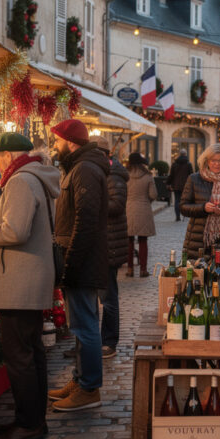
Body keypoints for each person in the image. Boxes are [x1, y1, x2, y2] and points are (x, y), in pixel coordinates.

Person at [0, 132, 60, 439]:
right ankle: (30, 419)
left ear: (8, 155)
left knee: (20, 356)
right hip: (29, 275)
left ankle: (30, 424)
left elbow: (15, 231)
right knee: (31, 353)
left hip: (21, 278)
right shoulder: (36, 177)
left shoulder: (20, 181)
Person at [48, 119, 109, 412]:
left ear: (70, 141)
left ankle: (89, 388)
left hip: (83, 260)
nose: (54, 146)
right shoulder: (78, 167)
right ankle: (81, 379)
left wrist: (71, 261)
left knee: (85, 327)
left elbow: (84, 222)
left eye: (57, 141)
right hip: (80, 257)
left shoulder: (84, 169)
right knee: (80, 325)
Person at [97, 136, 127, 359]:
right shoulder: (100, 172)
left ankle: (109, 341)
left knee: (108, 297)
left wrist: (91, 202)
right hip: (101, 241)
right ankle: (87, 343)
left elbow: (116, 205)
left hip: (110, 242)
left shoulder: (114, 175)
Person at [125, 152, 158, 278]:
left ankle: (129, 269)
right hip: (144, 209)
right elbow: (153, 195)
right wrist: (146, 201)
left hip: (128, 209)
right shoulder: (148, 176)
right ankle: (143, 269)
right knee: (143, 241)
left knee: (129, 241)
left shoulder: (125, 175)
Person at [167, 149, 194, 221]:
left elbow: (171, 175)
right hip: (186, 186)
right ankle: (184, 215)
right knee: (185, 201)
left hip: (176, 186)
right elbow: (191, 175)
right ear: (185, 154)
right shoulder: (188, 164)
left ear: (179, 154)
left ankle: (177, 216)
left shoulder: (174, 164)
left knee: (177, 200)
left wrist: (168, 183)